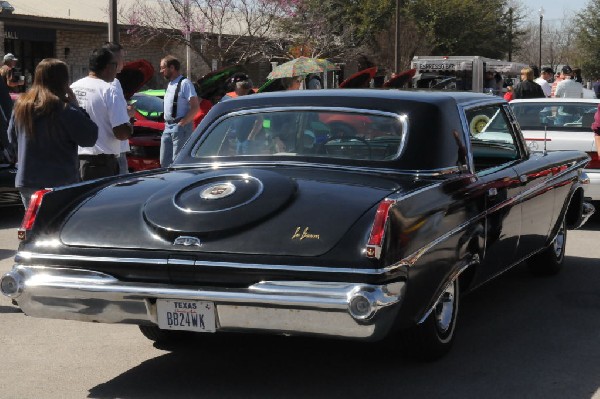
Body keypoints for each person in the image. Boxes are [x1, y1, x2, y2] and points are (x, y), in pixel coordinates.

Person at [7, 58, 98, 208]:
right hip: (60, 183)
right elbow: (90, 138)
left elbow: (12, 139)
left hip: (27, 179)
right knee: (58, 229)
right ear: (63, 81)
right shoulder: (65, 109)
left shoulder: (21, 106)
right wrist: (77, 106)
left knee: (35, 229)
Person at [71, 48, 132, 180]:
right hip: (100, 165)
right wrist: (129, 124)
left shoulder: (73, 87)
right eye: (115, 65)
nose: (116, 70)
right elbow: (121, 133)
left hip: (73, 160)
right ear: (108, 67)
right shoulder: (108, 90)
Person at [159, 55, 199, 167]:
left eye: (163, 68)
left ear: (172, 68)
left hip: (180, 127)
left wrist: (182, 123)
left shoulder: (185, 83)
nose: (161, 71)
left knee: (177, 164)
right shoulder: (170, 84)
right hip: (168, 127)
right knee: (164, 162)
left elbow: (195, 107)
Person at [103, 42, 135, 175]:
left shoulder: (115, 82)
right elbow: (114, 116)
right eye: (122, 58)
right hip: (115, 148)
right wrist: (128, 113)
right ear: (114, 60)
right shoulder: (113, 83)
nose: (124, 62)